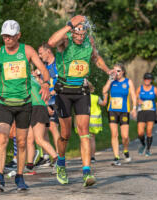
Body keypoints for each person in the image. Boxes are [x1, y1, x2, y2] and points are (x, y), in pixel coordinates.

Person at [0, 20, 50, 192]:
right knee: (1, 138)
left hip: (24, 104)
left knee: (22, 142)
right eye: (4, 36)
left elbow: (44, 70)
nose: (7, 39)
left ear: (18, 36)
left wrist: (45, 84)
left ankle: (19, 176)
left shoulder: (27, 50)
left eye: (10, 36)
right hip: (4, 104)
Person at [48, 15, 112, 187]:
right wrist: (69, 25)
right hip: (64, 92)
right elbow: (51, 42)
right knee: (65, 134)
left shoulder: (88, 41)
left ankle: (87, 172)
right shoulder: (65, 41)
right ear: (73, 32)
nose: (80, 37)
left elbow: (96, 58)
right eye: (78, 34)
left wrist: (108, 70)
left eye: (83, 34)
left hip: (82, 91)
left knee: (84, 131)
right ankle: (61, 163)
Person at [103, 64, 137, 166]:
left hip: (124, 111)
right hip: (112, 110)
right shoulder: (111, 81)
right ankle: (116, 157)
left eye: (118, 71)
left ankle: (125, 150)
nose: (116, 73)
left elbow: (133, 95)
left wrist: (134, 108)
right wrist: (110, 79)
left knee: (125, 136)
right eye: (114, 71)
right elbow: (104, 91)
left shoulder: (128, 82)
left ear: (123, 72)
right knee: (114, 134)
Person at [26, 75, 58, 172]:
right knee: (29, 139)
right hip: (32, 107)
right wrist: (46, 105)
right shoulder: (32, 77)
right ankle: (30, 166)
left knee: (39, 139)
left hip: (37, 107)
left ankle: (58, 160)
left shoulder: (27, 77)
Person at [37, 42, 60, 167]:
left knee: (52, 127)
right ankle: (46, 157)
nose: (40, 56)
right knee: (44, 128)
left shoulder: (58, 64)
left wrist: (53, 91)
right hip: (45, 100)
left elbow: (63, 80)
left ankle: (59, 157)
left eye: (41, 53)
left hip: (57, 99)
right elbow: (41, 83)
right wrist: (37, 77)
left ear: (48, 51)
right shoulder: (43, 67)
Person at [136, 73, 157, 156]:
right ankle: (143, 144)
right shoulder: (139, 89)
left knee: (149, 130)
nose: (147, 80)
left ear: (151, 80)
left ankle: (148, 149)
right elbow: (135, 97)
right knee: (140, 132)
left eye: (149, 79)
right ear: (143, 79)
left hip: (151, 112)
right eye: (146, 79)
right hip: (141, 111)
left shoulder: (154, 89)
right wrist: (138, 101)